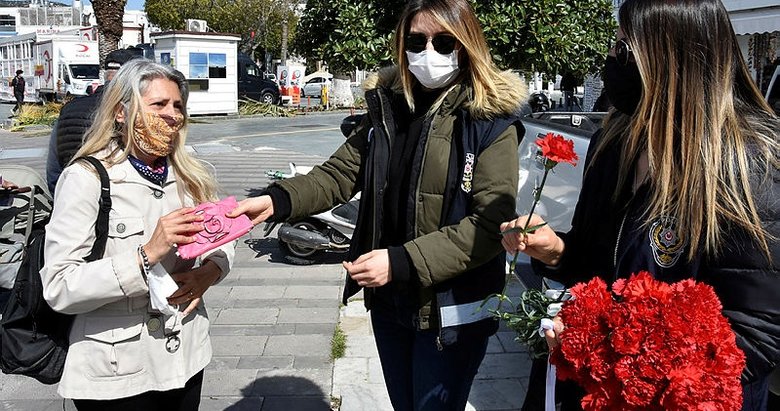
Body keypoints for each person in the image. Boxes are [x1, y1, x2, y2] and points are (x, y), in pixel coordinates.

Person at [229, 0, 526, 409]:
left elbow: (491, 222)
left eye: (443, 42)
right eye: (416, 41)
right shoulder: (386, 108)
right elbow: (337, 175)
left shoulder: (488, 120)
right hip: (390, 303)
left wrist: (400, 261)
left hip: (450, 313)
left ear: (466, 45)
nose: (428, 52)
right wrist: (275, 200)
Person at [500, 1, 779, 410]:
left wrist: (606, 350)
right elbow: (598, 265)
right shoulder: (614, 142)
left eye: (622, 50)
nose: (610, 62)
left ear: (669, 59)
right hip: (596, 390)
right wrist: (557, 252)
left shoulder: (748, 166)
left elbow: (755, 337)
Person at [40, 59, 234, 409]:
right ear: (120, 112)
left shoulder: (191, 175)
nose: (171, 115)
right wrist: (145, 255)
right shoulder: (86, 178)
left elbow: (224, 238)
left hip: (184, 355)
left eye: (177, 106)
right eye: (158, 105)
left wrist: (211, 272)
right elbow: (59, 286)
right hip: (116, 370)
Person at [46, 48, 142, 194]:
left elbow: (54, 165)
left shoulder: (70, 108)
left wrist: (60, 195)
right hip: (116, 199)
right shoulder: (130, 109)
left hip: (70, 193)